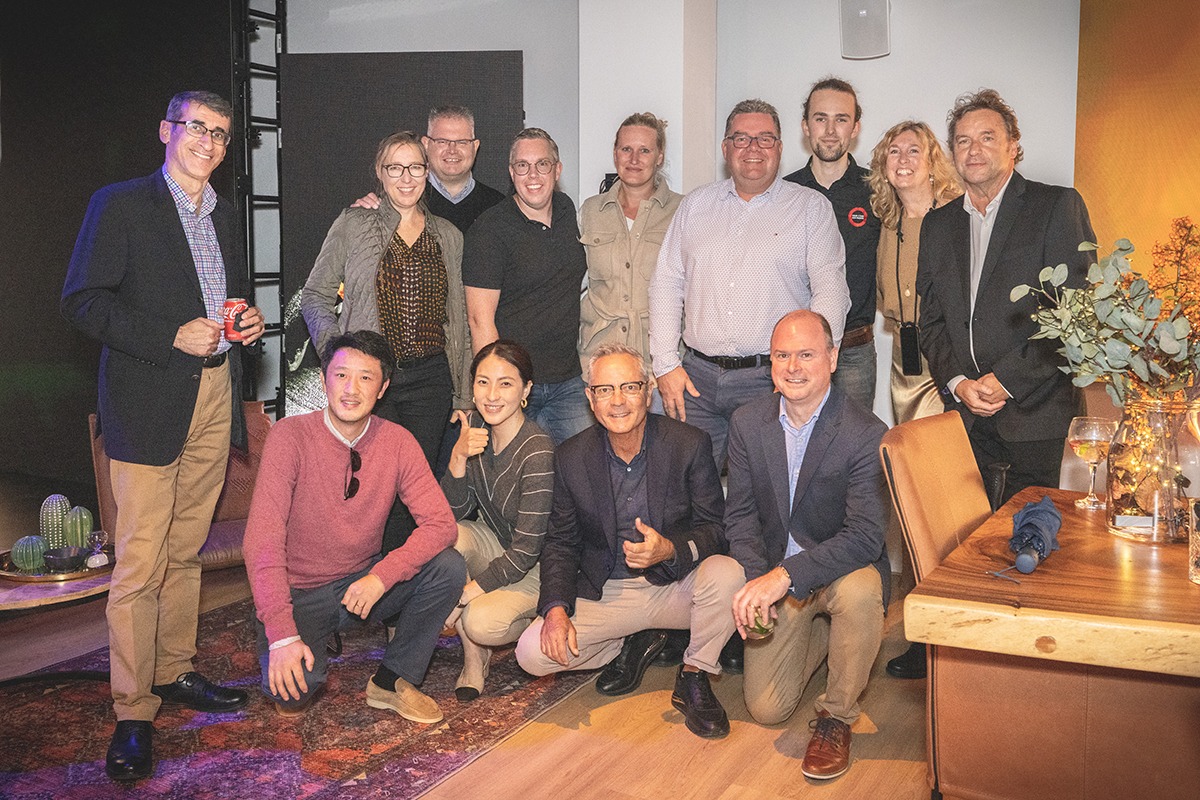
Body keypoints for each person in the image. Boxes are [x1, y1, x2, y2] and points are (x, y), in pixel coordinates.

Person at [60, 89, 266, 782]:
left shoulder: (224, 215)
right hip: (147, 400)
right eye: (196, 127)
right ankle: (133, 709)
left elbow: (220, 301)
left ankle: (174, 669)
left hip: (214, 392)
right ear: (166, 131)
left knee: (185, 549)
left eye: (221, 134)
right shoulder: (119, 205)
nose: (208, 141)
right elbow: (82, 301)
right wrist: (168, 336)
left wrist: (244, 323)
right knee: (141, 561)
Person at [514, 344, 744, 740]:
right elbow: (561, 543)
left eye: (629, 387)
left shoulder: (688, 443)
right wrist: (555, 610)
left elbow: (716, 529)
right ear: (590, 398)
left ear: (648, 391)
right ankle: (629, 641)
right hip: (609, 593)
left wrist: (670, 549)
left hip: (674, 587)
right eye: (604, 390)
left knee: (730, 574)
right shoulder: (570, 457)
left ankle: (694, 673)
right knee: (531, 653)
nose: (617, 401)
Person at [243, 330, 465, 722]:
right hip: (301, 592)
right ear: (323, 379)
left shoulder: (397, 441)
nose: (351, 389)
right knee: (291, 696)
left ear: (383, 388)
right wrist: (281, 632)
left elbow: (441, 524)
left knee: (448, 567)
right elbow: (262, 540)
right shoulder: (289, 436)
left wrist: (382, 576)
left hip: (362, 584)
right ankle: (295, 634)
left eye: (366, 377)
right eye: (341, 375)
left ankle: (391, 680)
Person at [724, 310, 890, 781]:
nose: (793, 367)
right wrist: (758, 578)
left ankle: (837, 715)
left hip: (840, 567)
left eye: (806, 355)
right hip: (778, 571)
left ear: (832, 359)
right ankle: (827, 638)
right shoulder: (747, 423)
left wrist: (784, 577)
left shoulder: (866, 433)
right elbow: (740, 516)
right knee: (767, 709)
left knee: (860, 593)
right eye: (782, 356)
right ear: (770, 362)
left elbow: (864, 536)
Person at [648, 98, 849, 472]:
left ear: (780, 148)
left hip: (770, 381)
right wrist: (665, 365)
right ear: (726, 149)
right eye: (741, 139)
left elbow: (831, 291)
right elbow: (666, 284)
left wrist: (808, 364)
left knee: (766, 489)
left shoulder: (810, 208)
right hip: (695, 382)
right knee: (687, 487)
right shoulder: (695, 206)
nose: (753, 148)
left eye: (764, 139)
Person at [916, 89, 1096, 502]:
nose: (974, 150)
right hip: (965, 420)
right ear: (952, 153)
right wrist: (958, 384)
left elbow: (1076, 315)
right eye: (963, 140)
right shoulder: (938, 225)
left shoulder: (1055, 206)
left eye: (987, 137)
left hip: (1036, 417)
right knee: (967, 537)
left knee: (1032, 533)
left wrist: (1007, 380)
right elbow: (932, 322)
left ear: (1013, 146)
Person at [301, 131, 471, 553]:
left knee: (414, 491)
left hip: (431, 382)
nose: (406, 178)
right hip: (373, 381)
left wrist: (464, 393)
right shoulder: (354, 223)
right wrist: (337, 357)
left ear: (427, 172)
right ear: (380, 172)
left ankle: (398, 582)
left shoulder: (449, 235)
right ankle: (357, 574)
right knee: (371, 486)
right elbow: (315, 296)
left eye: (415, 167)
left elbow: (459, 320)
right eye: (395, 168)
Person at [867, 121, 964, 681]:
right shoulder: (889, 220)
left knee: (933, 497)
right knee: (910, 496)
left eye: (914, 151)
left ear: (932, 161)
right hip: (905, 367)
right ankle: (923, 629)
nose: (903, 160)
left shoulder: (954, 217)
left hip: (943, 363)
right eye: (893, 152)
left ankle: (937, 639)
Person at [440, 339, 555, 702]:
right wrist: (458, 458)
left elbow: (526, 552)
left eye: (505, 383)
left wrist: (462, 596)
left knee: (478, 620)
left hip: (540, 565)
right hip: (500, 545)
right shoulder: (476, 427)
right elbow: (451, 514)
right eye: (482, 382)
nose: (491, 395)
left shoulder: (537, 449)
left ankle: (542, 615)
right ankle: (474, 659)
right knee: (448, 538)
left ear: (526, 390)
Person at [463, 128, 592, 445]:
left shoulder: (566, 210)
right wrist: (500, 386)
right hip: (516, 384)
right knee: (515, 471)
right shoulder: (489, 230)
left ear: (557, 170)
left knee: (583, 469)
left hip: (568, 381)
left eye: (542, 164)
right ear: (512, 173)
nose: (532, 174)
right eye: (522, 165)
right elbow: (479, 320)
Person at [783, 78, 882, 412]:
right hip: (793, 351)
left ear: (855, 128)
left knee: (854, 441)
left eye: (841, 119)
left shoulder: (877, 191)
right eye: (820, 118)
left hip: (855, 352)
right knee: (794, 439)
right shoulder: (784, 193)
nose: (829, 130)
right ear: (805, 126)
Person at [578, 112, 682, 370]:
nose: (634, 159)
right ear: (615, 154)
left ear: (659, 157)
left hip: (657, 365)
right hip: (597, 361)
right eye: (626, 149)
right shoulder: (589, 211)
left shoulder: (682, 211)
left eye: (644, 150)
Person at [352, 104, 505, 235]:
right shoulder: (401, 201)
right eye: (442, 141)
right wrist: (364, 213)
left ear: (475, 146)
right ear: (425, 144)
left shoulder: (498, 206)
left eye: (462, 142)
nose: (452, 150)